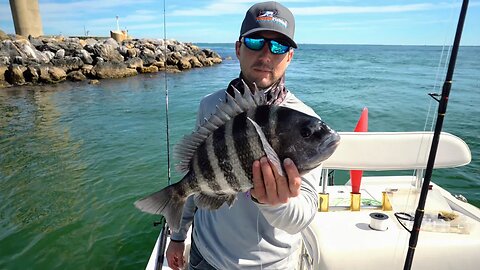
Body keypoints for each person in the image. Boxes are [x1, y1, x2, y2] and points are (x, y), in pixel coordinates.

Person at [166, 1, 322, 269]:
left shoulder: (304, 125)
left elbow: (304, 213)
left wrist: (274, 203)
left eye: (278, 46)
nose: (266, 55)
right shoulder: (210, 106)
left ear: (289, 57)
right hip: (204, 256)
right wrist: (178, 236)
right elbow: (196, 180)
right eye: (255, 42)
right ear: (238, 48)